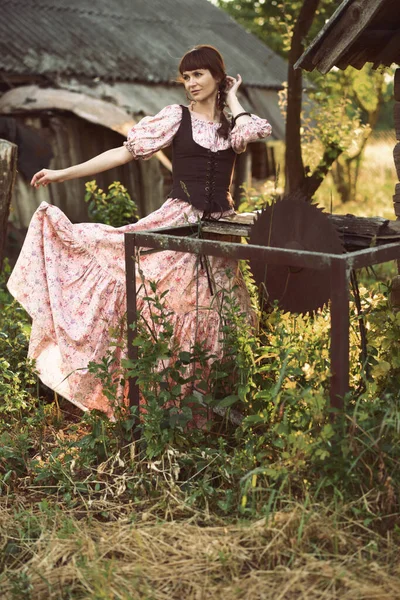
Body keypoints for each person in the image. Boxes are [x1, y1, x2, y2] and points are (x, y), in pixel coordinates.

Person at [7, 45, 272, 418]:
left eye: (199, 75)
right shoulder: (175, 118)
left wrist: (232, 97)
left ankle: (211, 410)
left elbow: (257, 131)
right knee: (162, 304)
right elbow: (123, 153)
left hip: (218, 231)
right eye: (186, 77)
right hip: (179, 222)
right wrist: (62, 174)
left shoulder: (233, 127)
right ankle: (162, 406)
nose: (191, 83)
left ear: (217, 76)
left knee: (220, 314)